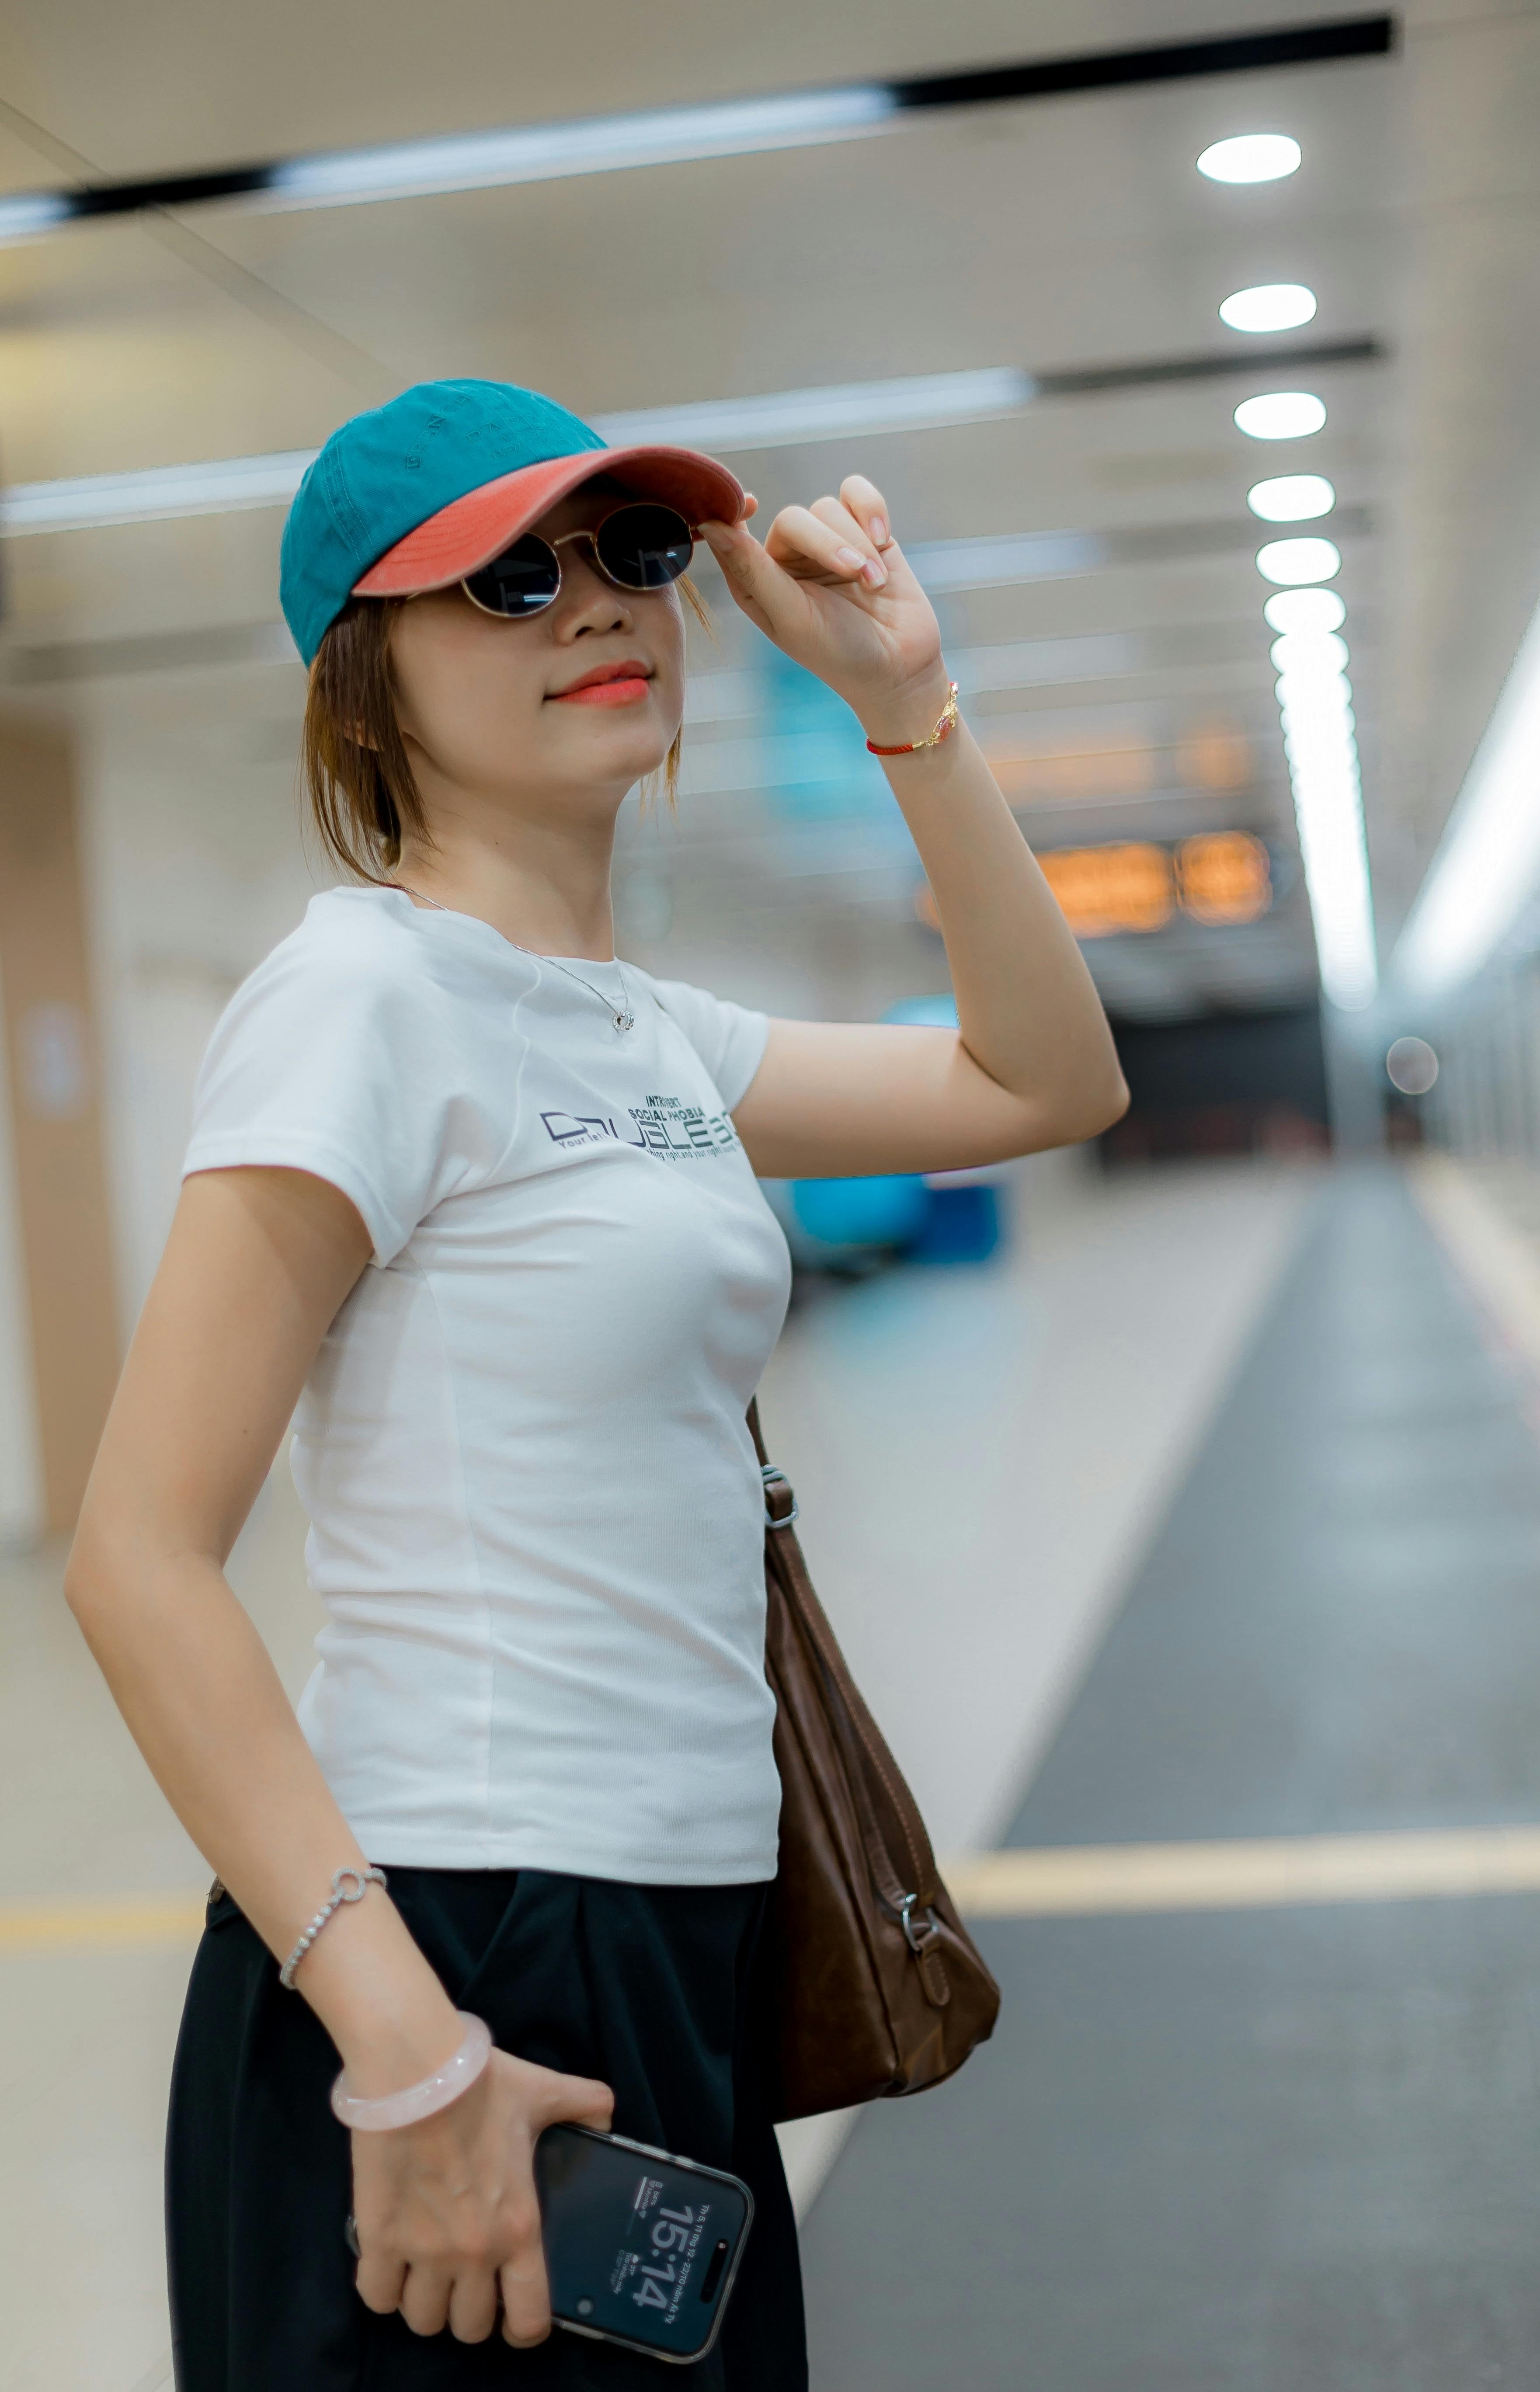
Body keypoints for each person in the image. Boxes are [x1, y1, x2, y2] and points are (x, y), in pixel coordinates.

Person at [65, 379, 1127, 2389]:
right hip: (461, 1946)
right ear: (364, 681)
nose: (595, 608)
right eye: (506, 579)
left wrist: (907, 704)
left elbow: (1044, 1082)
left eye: (633, 556)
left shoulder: (651, 1035)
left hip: (677, 1929)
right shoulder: (363, 993)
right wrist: (406, 2057)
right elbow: (139, 1558)